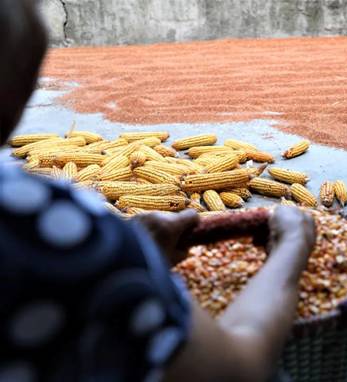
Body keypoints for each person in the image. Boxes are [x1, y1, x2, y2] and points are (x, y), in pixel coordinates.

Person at [0, 1, 316, 381]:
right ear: (18, 88)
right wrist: (291, 250)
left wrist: (135, 251)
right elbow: (237, 372)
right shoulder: (59, 229)